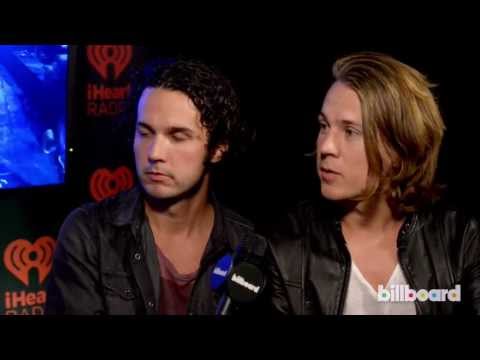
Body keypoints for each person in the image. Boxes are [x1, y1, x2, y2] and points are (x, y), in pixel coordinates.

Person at [264, 52, 480, 315]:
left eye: (350, 131)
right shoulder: (286, 248)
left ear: (399, 147)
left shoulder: (459, 241)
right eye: (323, 126)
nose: (326, 146)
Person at [45, 59, 267, 315]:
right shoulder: (89, 234)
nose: (154, 153)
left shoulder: (248, 246)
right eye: (145, 132)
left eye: (177, 136)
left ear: (218, 149)